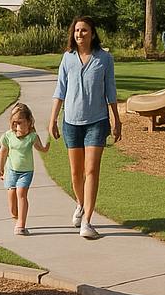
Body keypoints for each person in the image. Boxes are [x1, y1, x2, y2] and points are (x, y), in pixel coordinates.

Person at [48, 16, 121, 241]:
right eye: (77, 30)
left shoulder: (104, 58)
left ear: (93, 33)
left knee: (91, 171)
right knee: (75, 173)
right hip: (71, 122)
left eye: (84, 30)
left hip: (97, 122)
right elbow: (60, 90)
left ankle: (87, 221)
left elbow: (110, 90)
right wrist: (52, 120)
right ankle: (80, 204)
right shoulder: (67, 58)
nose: (80, 34)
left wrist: (116, 119)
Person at [0, 102, 50, 235]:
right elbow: (3, 152)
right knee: (12, 204)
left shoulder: (32, 137)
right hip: (11, 171)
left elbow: (40, 148)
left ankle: (21, 225)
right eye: (14, 123)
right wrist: (0, 168)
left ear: (28, 121)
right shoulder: (8, 136)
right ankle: (16, 216)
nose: (17, 126)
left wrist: (46, 146)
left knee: (21, 194)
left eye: (20, 122)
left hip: (26, 172)